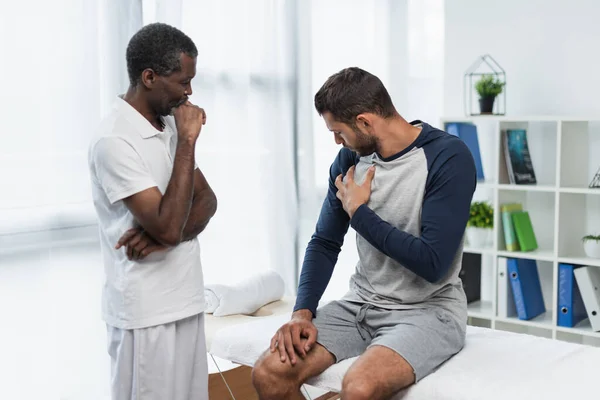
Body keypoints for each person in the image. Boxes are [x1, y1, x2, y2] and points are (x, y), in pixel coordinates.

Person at [252, 67, 477, 400]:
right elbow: (325, 242)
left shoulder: (447, 157)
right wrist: (303, 313)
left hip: (429, 311)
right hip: (360, 305)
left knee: (358, 386)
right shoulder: (349, 160)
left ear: (365, 122)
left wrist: (360, 214)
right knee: (269, 373)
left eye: (339, 132)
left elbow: (434, 263)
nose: (336, 141)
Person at [87, 22, 217, 400]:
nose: (190, 92)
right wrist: (188, 140)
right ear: (149, 77)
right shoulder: (114, 140)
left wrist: (165, 239)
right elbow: (167, 224)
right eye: (183, 81)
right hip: (146, 313)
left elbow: (207, 201)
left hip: (185, 299)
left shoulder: (168, 125)